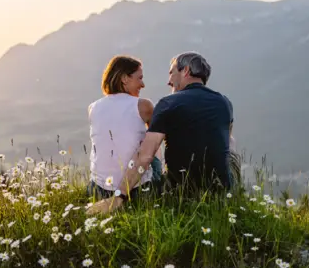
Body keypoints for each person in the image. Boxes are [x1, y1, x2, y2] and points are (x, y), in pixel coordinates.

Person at [87, 51, 234, 215]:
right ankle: (236, 193)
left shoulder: (168, 104)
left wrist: (119, 196)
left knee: (150, 153)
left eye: (172, 73)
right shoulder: (225, 102)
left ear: (185, 71)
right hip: (222, 191)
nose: (168, 81)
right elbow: (226, 143)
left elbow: (145, 157)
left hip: (181, 192)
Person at [86, 55, 163, 200]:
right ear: (124, 79)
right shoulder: (143, 105)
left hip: (99, 189)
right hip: (138, 189)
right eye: (139, 78)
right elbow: (154, 146)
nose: (143, 84)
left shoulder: (93, 107)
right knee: (153, 147)